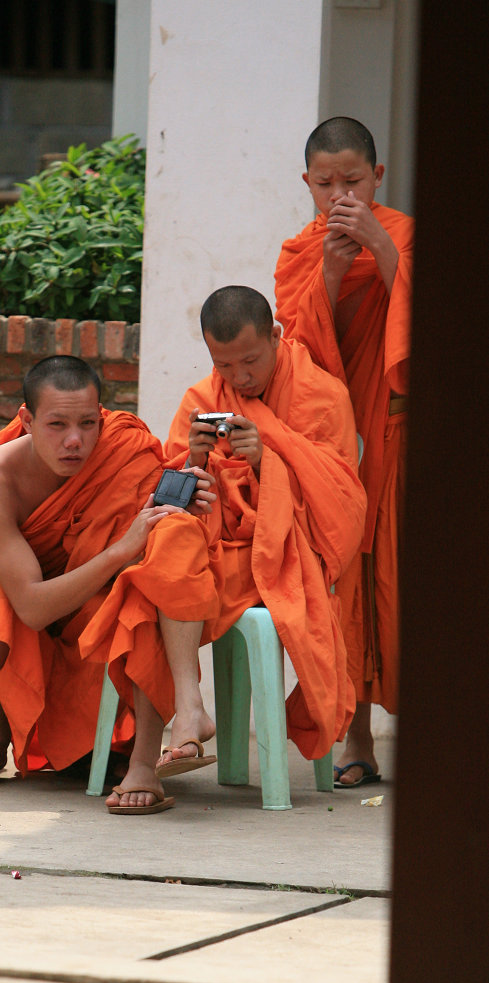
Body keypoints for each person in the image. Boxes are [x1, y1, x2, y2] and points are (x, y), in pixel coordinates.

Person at [0, 355, 220, 814]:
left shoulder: (123, 448)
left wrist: (188, 486)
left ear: (102, 418)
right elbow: (32, 606)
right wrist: (119, 551)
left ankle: (145, 759)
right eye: (57, 425)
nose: (75, 441)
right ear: (26, 420)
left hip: (94, 599)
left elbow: (149, 532)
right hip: (32, 603)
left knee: (150, 577)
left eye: (88, 424)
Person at [155, 285, 367, 765]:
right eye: (224, 365)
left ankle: (180, 724)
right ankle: (187, 710)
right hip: (223, 548)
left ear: (275, 335)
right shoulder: (203, 397)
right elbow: (172, 497)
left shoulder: (323, 397)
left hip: (292, 555)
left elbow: (342, 508)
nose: (239, 377)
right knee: (157, 563)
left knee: (166, 579)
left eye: (250, 360)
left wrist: (267, 463)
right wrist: (194, 457)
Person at [274, 117, 413, 787]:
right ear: (307, 184)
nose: (339, 196)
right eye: (324, 184)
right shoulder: (300, 251)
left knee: (408, 586)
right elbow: (297, 353)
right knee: (351, 586)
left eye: (352, 182)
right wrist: (329, 272)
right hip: (334, 446)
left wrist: (379, 245)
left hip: (398, 436)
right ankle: (356, 740)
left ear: (376, 178)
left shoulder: (406, 236)